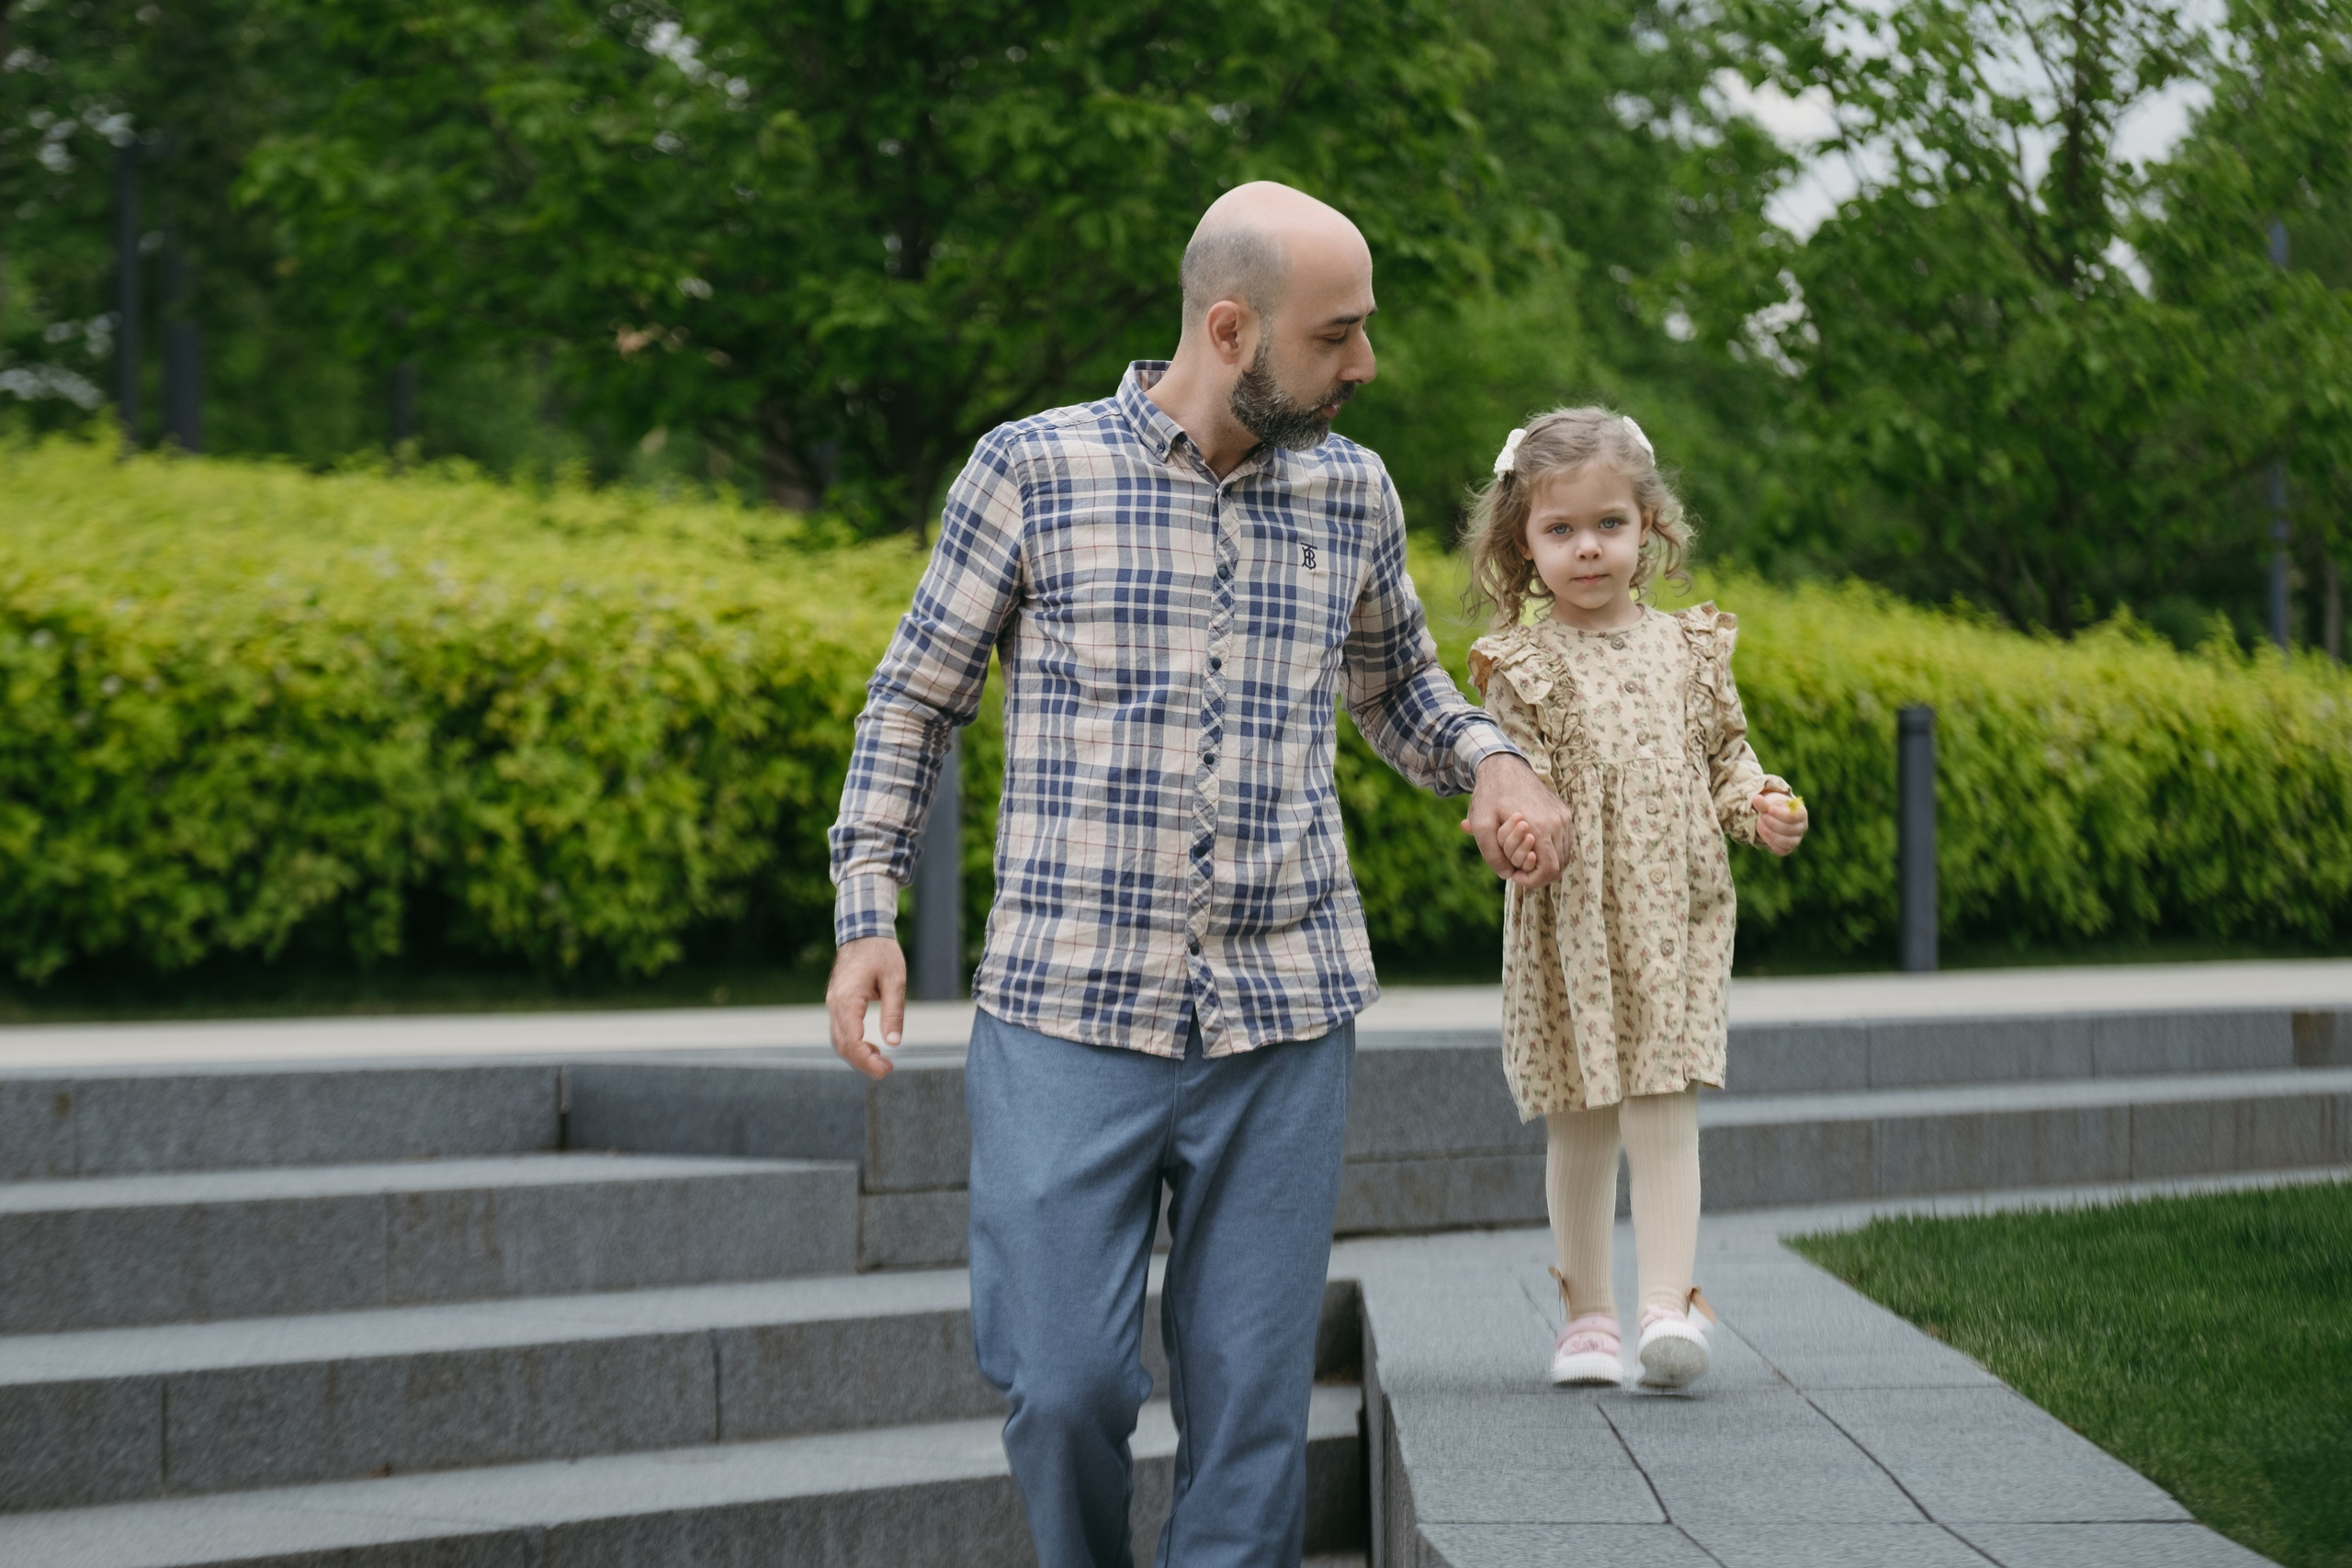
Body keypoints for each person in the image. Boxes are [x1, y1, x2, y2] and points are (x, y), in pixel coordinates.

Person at [824, 181, 1575, 1568]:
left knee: (1249, 1418)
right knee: (1066, 1387)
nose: (1366, 364)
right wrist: (866, 910)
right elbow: (912, 702)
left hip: (1284, 1013)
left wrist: (1496, 764)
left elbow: (1401, 689)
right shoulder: (1029, 470)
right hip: (1065, 1011)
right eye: (1337, 335)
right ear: (1231, 329)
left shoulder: (1352, 490)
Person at [1462, 409, 1809, 1393]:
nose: (1587, 548)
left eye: (1608, 524)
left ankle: (1669, 1304)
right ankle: (1587, 1318)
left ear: (1648, 525)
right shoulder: (1522, 665)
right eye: (1559, 531)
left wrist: (1760, 803)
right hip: (1572, 918)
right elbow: (1509, 780)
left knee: (1663, 1105)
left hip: (1674, 914)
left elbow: (1725, 758)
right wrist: (1517, 832)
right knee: (1580, 1112)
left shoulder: (1688, 651)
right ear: (1521, 545)